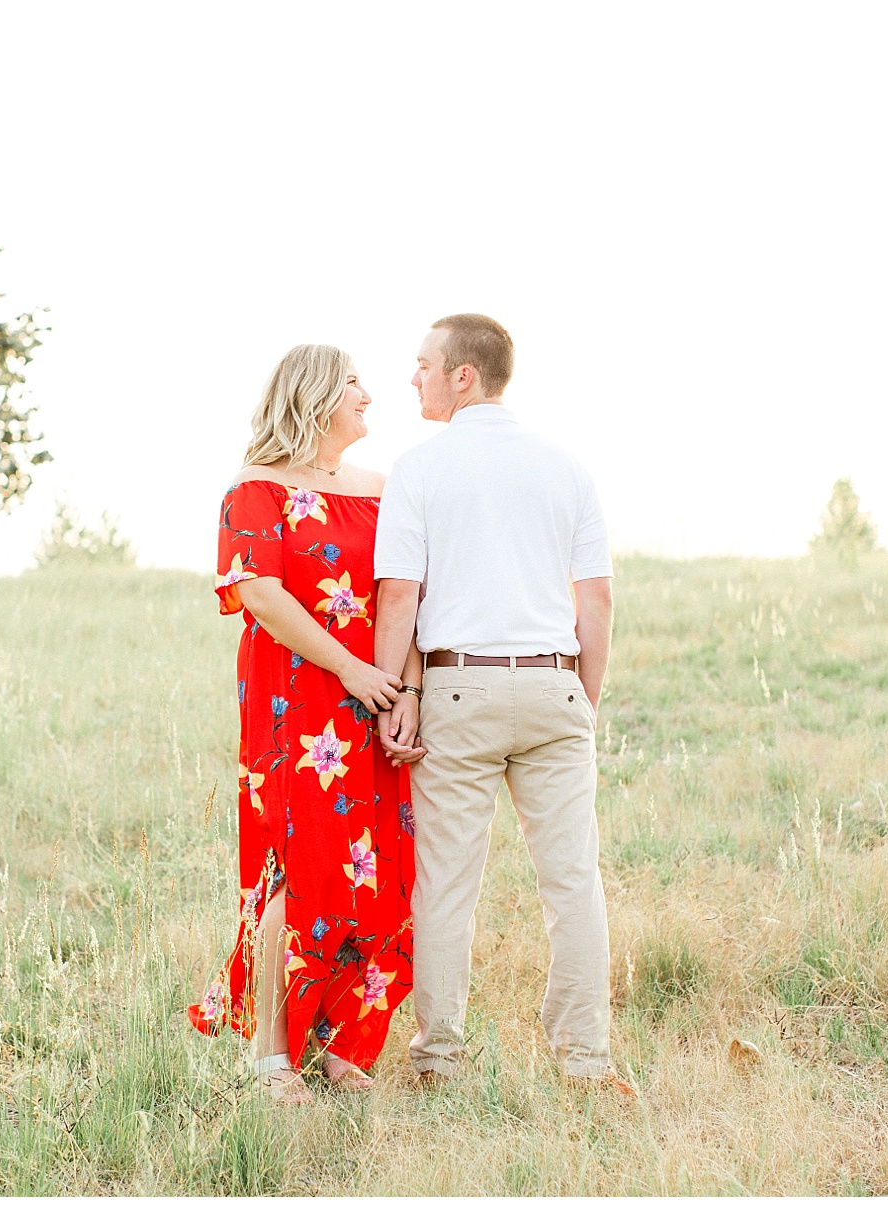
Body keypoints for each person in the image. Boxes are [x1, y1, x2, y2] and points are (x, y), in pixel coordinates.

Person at [370, 313, 634, 1094]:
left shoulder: (419, 468)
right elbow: (599, 599)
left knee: (447, 881)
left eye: (422, 365)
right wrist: (581, 699)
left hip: (457, 689)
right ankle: (585, 1060)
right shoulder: (566, 467)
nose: (411, 378)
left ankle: (439, 1059)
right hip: (554, 685)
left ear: (464, 375)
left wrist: (396, 694)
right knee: (572, 881)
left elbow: (398, 596)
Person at [188, 344, 417, 1104]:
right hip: (296, 703)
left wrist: (401, 687)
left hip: (377, 696)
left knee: (376, 869)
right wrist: (348, 669)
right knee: (300, 864)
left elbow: (408, 594)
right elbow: (259, 592)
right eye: (355, 382)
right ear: (316, 394)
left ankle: (344, 1042)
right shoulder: (255, 489)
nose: (369, 396)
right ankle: (271, 1054)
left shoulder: (384, 491)